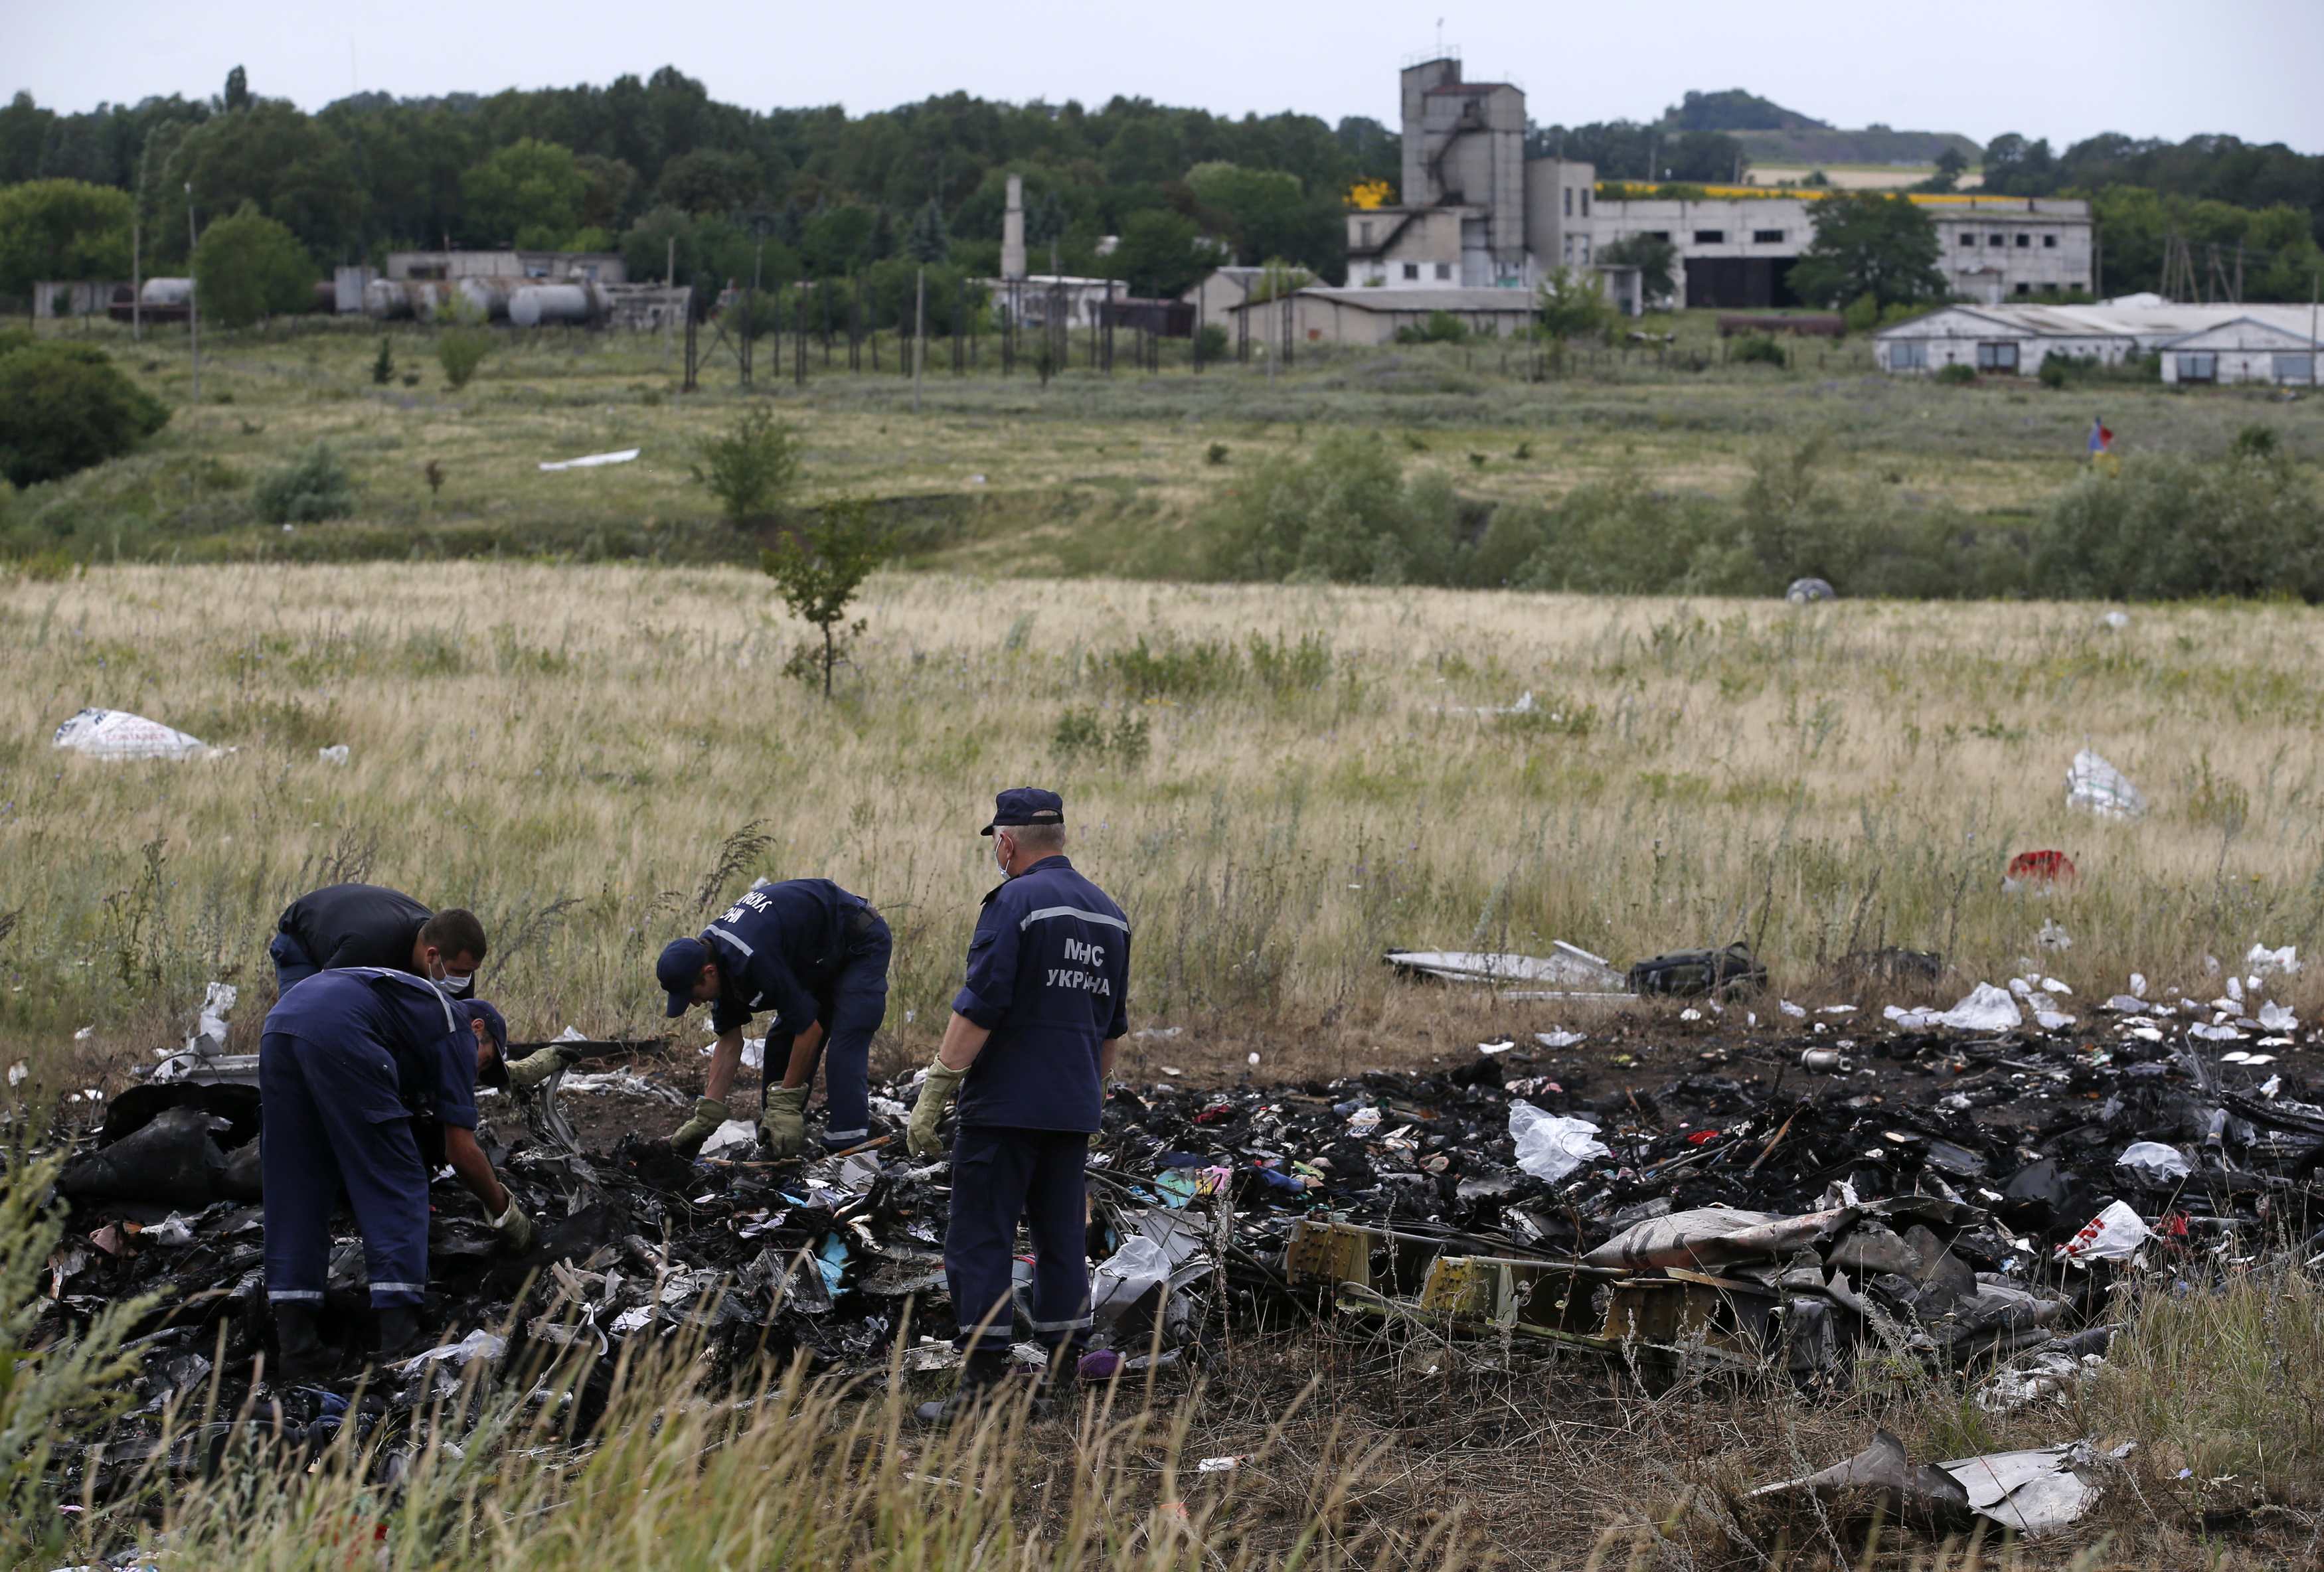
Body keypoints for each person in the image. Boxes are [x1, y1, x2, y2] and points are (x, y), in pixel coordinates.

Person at [907, 788, 1129, 1422]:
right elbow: (1110, 1028)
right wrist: (1094, 1092)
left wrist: (938, 1087)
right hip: (1072, 1108)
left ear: (1005, 843)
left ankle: (981, 1385)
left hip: (1005, 1107)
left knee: (981, 1236)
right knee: (1061, 1237)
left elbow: (981, 1003)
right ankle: (1062, 1378)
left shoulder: (1014, 903)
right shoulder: (1110, 914)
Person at [260, 967, 535, 1378]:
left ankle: (297, 1348)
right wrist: (506, 1212)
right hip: (338, 1028)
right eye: (487, 1061)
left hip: (281, 1024)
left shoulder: (412, 1017)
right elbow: (460, 1151)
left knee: (298, 1184)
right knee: (398, 1180)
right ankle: (400, 1340)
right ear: (479, 1029)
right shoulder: (458, 1029)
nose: (476, 1075)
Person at [656, 878, 892, 1158]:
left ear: (708, 972)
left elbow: (810, 1031)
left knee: (846, 1042)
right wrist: (707, 1115)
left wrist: (785, 1103)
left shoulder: (751, 957)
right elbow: (730, 1042)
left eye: (693, 995)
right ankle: (775, 1140)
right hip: (818, 957)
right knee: (782, 1040)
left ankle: (848, 1151)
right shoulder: (714, 956)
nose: (695, 1003)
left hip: (859, 942)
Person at [271, 883, 487, 1000]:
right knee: (303, 1021)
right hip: (302, 939)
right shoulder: (366, 948)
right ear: (431, 955)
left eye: (470, 972)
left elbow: (457, 1027)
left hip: (361, 918)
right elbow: (324, 998)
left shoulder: (456, 956)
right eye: (459, 972)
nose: (464, 980)